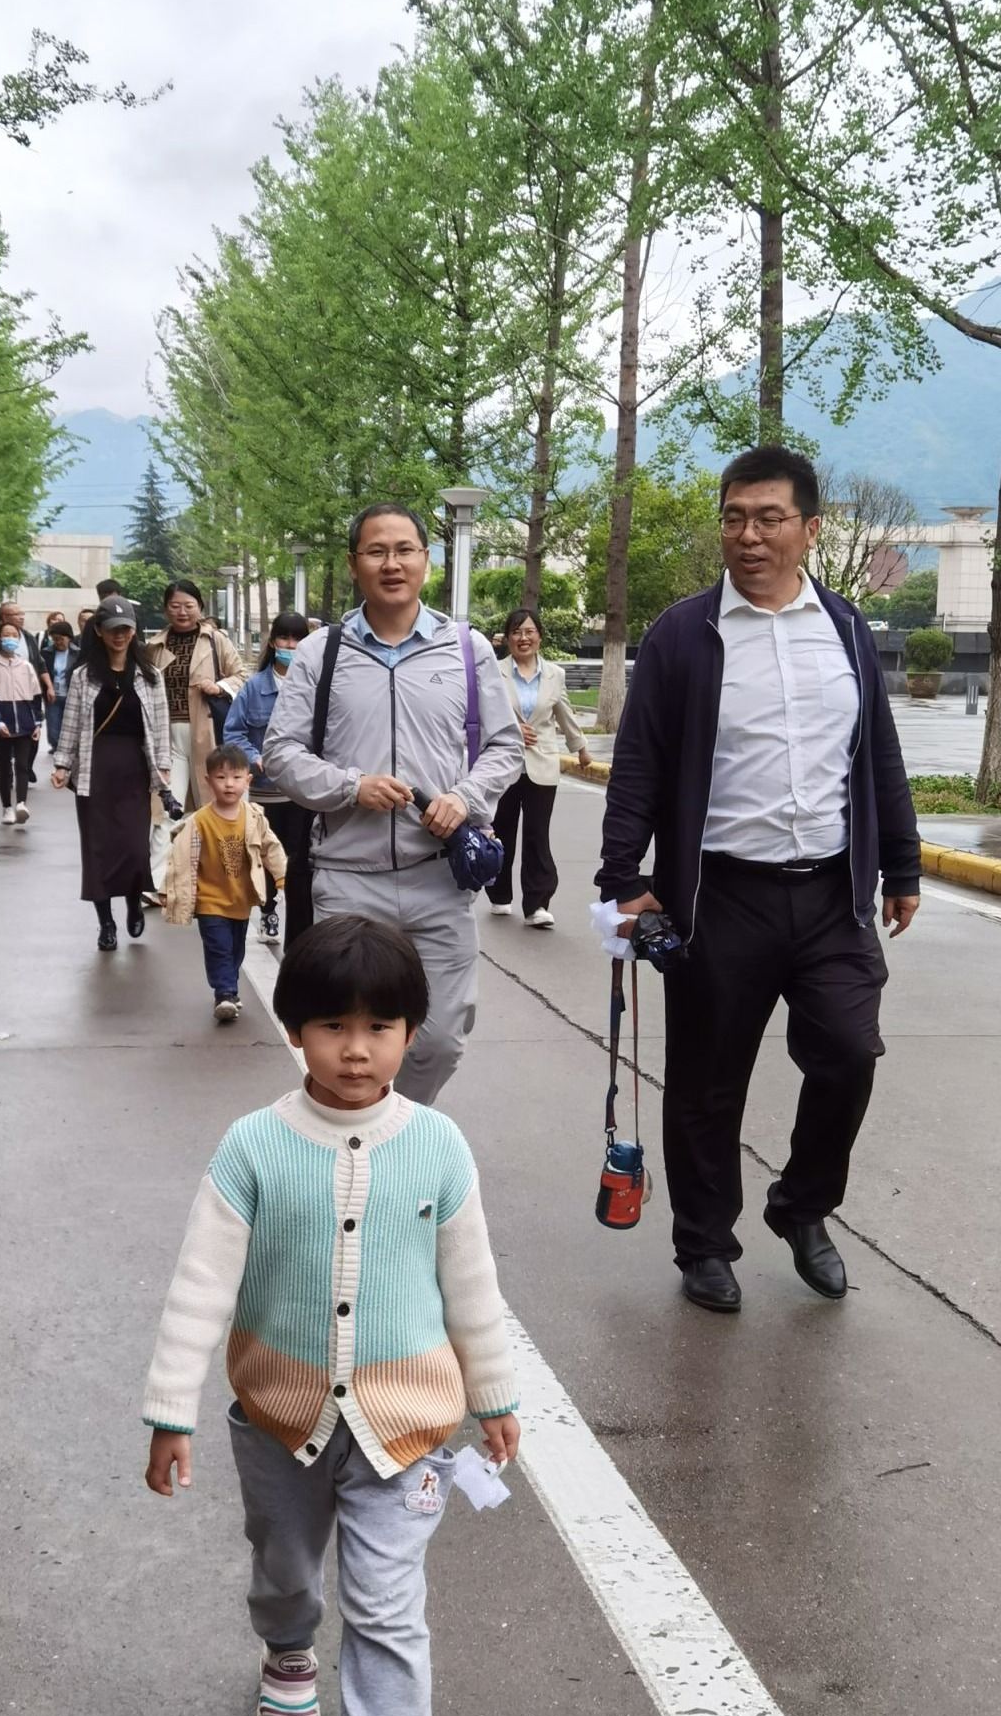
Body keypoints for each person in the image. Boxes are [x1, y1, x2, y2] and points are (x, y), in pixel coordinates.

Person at [141, 915, 520, 1716]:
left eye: (380, 1027)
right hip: (278, 1417)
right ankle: (288, 1647)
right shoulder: (253, 1148)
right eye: (332, 1026)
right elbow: (200, 1285)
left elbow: (472, 1284)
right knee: (285, 1565)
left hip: (407, 1426)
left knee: (388, 1603)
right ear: (295, 1028)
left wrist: (495, 1395)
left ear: (412, 1033)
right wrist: (171, 1410)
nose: (357, 1049)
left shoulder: (438, 1146)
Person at [596, 445, 920, 1315]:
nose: (749, 535)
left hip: (831, 894)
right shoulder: (682, 636)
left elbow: (878, 754)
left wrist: (902, 862)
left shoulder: (846, 629)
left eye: (769, 518)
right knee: (707, 1082)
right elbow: (638, 765)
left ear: (810, 529)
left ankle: (802, 1204)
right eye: (735, 517)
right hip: (721, 895)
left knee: (849, 1053)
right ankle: (705, 1243)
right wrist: (623, 876)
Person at [263, 504, 522, 1105]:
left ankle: (400, 1129)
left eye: (405, 550)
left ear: (426, 560)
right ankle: (356, 1140)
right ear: (354, 564)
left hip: (439, 879)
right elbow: (280, 751)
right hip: (348, 881)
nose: (392, 563)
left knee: (439, 1043)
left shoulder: (467, 649)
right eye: (376, 551)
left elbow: (506, 746)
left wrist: (464, 797)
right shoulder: (322, 652)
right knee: (349, 1046)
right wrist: (351, 786)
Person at [51, 596, 172, 953]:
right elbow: (71, 723)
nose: (119, 636)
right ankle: (106, 923)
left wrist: (163, 764)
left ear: (134, 632)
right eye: (112, 630)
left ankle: (134, 901)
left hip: (135, 769)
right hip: (94, 770)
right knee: (98, 850)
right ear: (99, 633)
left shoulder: (150, 676)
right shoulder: (83, 676)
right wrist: (62, 764)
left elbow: (161, 724)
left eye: (126, 629)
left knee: (135, 848)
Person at [161, 743, 289, 1024]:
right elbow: (180, 860)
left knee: (235, 950)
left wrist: (281, 875)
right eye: (221, 777)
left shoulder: (254, 817)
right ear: (208, 781)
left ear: (248, 780)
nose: (229, 784)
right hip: (210, 901)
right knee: (218, 947)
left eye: (236, 777)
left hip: (241, 901)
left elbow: (271, 847)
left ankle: (230, 988)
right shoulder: (200, 821)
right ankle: (224, 993)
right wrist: (168, 891)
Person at [487, 606, 591, 930]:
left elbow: (564, 713)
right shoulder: (494, 671)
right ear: (508, 638)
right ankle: (499, 893)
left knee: (537, 835)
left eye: (529, 631)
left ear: (539, 637)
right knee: (503, 830)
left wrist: (581, 749)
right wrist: (512, 728)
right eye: (517, 632)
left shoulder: (554, 675)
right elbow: (484, 712)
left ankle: (537, 904)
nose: (523, 638)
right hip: (504, 763)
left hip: (542, 764)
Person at [147, 577, 245, 892]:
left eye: (189, 605)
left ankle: (218, 877)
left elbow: (242, 675)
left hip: (207, 734)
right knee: (166, 806)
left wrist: (219, 687)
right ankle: (157, 882)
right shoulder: (155, 646)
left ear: (200, 607)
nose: (182, 612)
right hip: (167, 738)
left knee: (213, 804)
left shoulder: (216, 641)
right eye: (175, 606)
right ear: (165, 609)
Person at [225, 612, 313, 946]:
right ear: (273, 642)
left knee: (300, 859)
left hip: (304, 791)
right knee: (266, 855)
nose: (291, 645)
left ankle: (300, 925)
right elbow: (233, 732)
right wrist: (255, 758)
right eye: (285, 638)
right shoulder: (254, 688)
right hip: (266, 792)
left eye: (297, 639)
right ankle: (269, 911)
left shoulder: (314, 686)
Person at [0, 620, 45, 826]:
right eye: (6, 635)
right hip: (3, 723)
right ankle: (7, 807)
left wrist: (38, 723)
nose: (10, 638)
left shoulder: (26, 666)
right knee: (5, 767)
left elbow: (36, 696)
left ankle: (21, 804)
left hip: (25, 723)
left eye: (14, 635)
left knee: (23, 765)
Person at [43, 618, 76, 751]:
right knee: (53, 726)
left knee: (69, 724)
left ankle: (67, 749)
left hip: (70, 694)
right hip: (53, 695)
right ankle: (56, 746)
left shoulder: (77, 653)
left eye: (61, 639)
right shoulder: (46, 653)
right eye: (55, 639)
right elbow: (42, 671)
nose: (58, 642)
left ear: (69, 638)